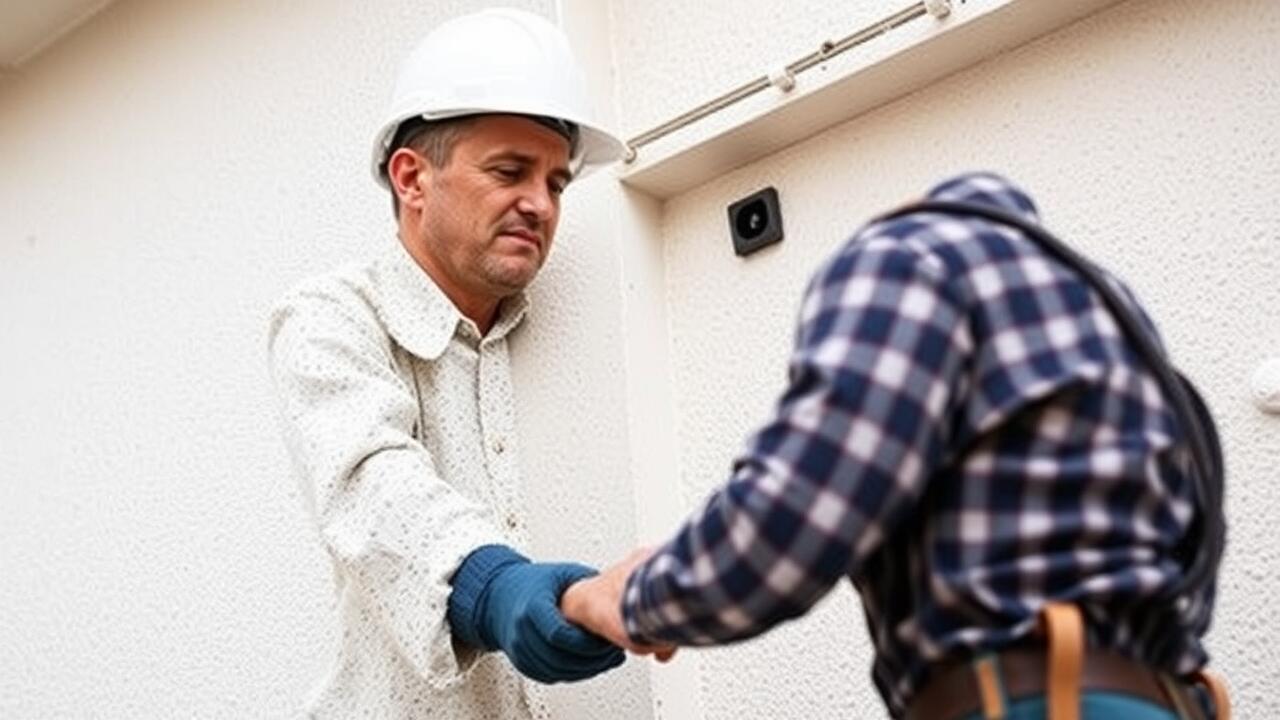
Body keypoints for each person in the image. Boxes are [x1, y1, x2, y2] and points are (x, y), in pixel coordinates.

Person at [562, 172, 1230, 719]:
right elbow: (1194, 552)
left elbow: (801, 514)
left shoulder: (911, 253)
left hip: (1030, 704)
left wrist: (629, 598)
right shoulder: (1111, 307)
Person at [268, 9, 635, 718]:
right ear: (412, 178)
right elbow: (373, 484)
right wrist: (496, 589)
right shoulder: (328, 317)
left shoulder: (547, 336)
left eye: (557, 183)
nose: (540, 203)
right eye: (509, 171)